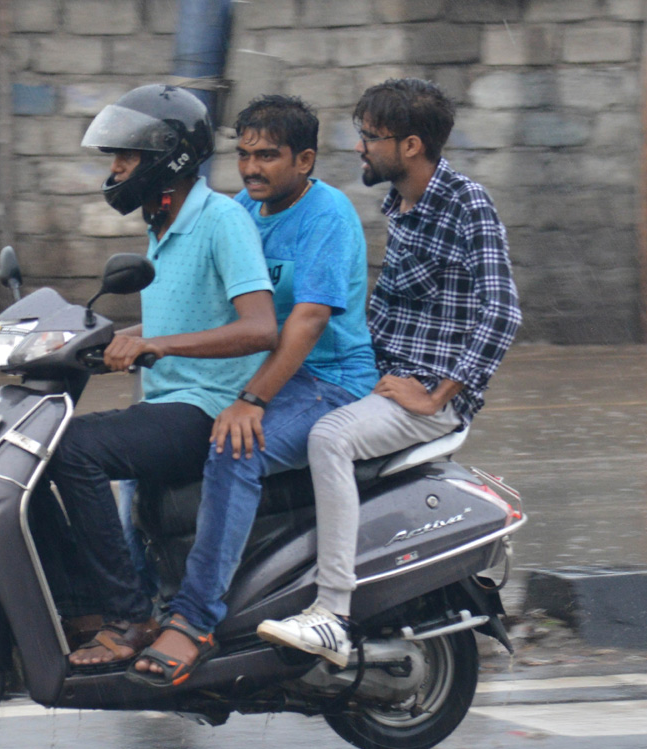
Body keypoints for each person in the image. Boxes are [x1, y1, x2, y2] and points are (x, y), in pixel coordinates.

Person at [257, 78, 522, 666]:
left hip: (423, 393)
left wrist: (436, 397)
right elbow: (384, 310)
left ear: (410, 146)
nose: (359, 149)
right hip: (380, 377)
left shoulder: (466, 203)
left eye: (370, 138)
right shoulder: (399, 205)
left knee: (329, 438)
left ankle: (332, 613)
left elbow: (502, 312)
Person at [127, 94, 377, 688]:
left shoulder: (328, 215)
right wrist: (128, 341)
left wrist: (253, 401)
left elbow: (308, 321)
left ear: (305, 160)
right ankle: (137, 608)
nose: (251, 169)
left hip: (329, 381)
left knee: (235, 448)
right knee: (141, 449)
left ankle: (197, 618)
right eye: (243, 155)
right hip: (264, 376)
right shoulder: (242, 211)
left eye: (267, 156)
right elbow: (208, 309)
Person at [49, 84, 277, 668]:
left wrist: (156, 344)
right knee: (35, 447)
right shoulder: (161, 226)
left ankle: (129, 617)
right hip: (169, 401)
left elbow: (260, 328)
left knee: (74, 449)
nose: (117, 169)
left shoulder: (221, 220)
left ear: (168, 157)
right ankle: (83, 608)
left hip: (208, 408)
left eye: (126, 157)